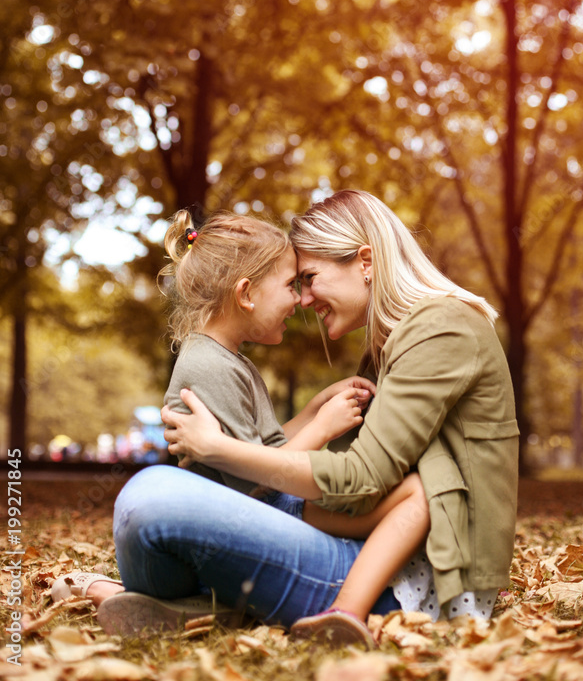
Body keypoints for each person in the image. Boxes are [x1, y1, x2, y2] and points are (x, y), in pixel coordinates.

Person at [52, 206, 430, 646]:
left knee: (400, 500)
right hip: (248, 516)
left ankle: (169, 606)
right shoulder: (207, 366)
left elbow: (263, 449)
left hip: (250, 514)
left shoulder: (231, 361)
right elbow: (255, 485)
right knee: (395, 500)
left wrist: (314, 409)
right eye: (291, 286)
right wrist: (322, 429)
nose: (299, 300)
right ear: (246, 294)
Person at [160, 191, 519, 637]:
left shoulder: (439, 327)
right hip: (383, 547)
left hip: (428, 574)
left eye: (309, 278)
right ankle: (181, 604)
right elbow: (344, 482)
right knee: (170, 503)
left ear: (365, 261)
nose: (304, 300)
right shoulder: (393, 343)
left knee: (158, 497)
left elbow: (360, 478)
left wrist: (218, 448)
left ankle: (333, 611)